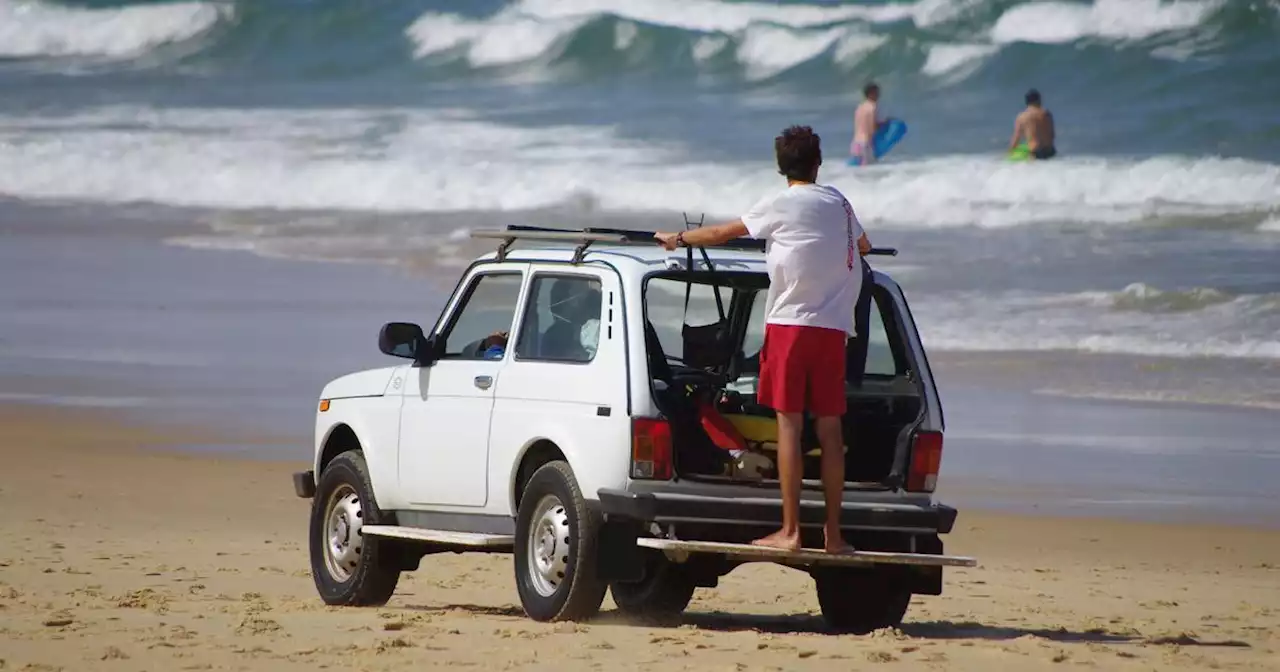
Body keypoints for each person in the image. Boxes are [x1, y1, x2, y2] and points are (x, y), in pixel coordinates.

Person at [655, 125, 873, 554]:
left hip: (791, 326)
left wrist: (678, 239)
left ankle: (790, 532)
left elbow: (726, 233)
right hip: (833, 330)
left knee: (789, 426)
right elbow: (863, 246)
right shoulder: (840, 203)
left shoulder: (781, 202)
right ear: (819, 162)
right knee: (830, 430)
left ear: (781, 167)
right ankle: (833, 534)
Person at [1009, 88, 1056, 160]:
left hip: (1035, 153)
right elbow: (1052, 135)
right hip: (1050, 151)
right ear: (1039, 100)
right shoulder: (1047, 114)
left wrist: (1010, 153)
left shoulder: (1022, 117)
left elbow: (1016, 138)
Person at [851, 82, 886, 165]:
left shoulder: (860, 107)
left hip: (855, 143)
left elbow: (861, 125)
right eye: (877, 93)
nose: (878, 95)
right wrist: (884, 125)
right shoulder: (872, 107)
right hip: (865, 143)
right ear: (871, 94)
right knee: (868, 169)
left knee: (859, 171)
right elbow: (872, 128)